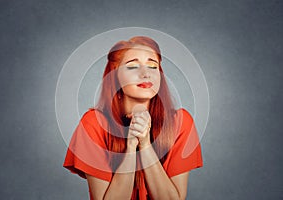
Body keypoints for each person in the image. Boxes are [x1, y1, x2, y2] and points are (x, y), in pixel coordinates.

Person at [63, 36, 203, 200]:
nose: (145, 74)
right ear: (114, 76)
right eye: (133, 67)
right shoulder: (93, 124)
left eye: (152, 66)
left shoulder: (181, 122)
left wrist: (145, 145)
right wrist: (130, 147)